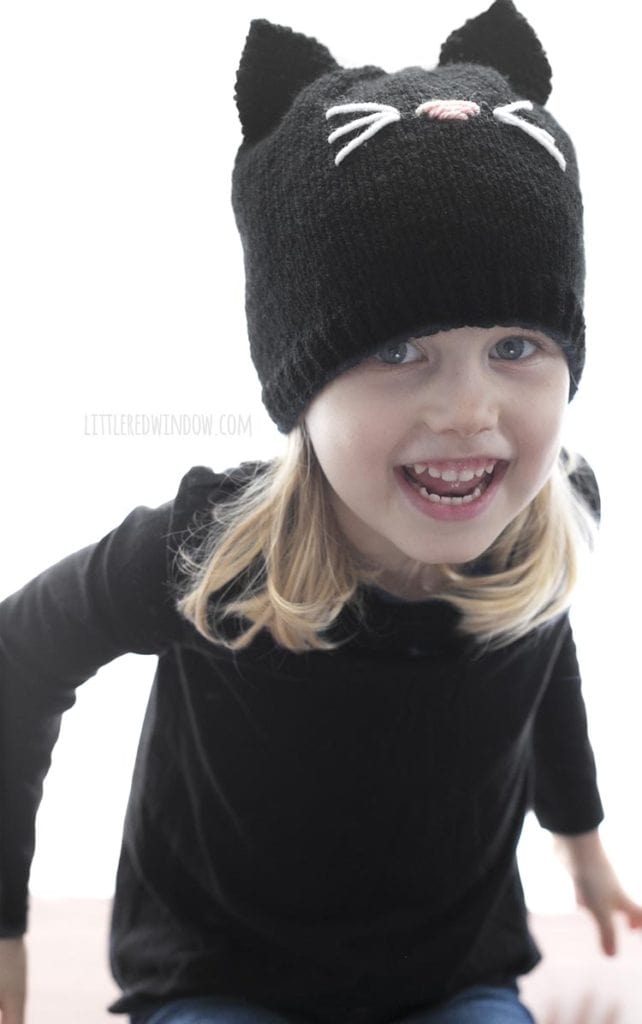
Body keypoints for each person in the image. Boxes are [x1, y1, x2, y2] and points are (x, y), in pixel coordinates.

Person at [1, 2, 641, 1023]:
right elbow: (18, 656)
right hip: (225, 981)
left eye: (516, 346)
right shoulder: (208, 549)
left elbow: (539, 652)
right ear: (299, 385)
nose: (470, 409)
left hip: (448, 981)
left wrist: (585, 844)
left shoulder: (551, 508)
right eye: (397, 351)